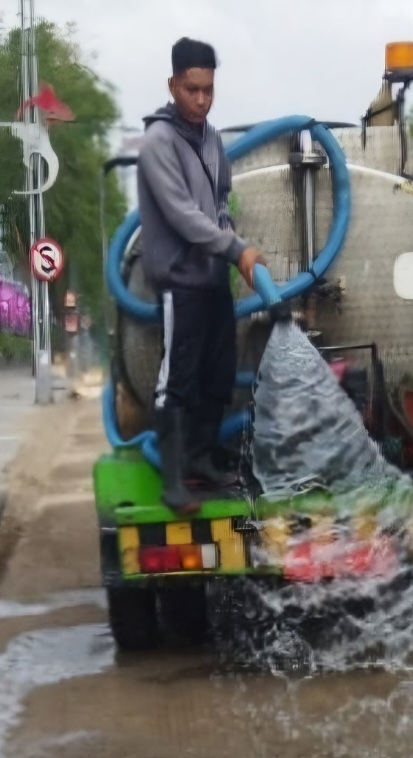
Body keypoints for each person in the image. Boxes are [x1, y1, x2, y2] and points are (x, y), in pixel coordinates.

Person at [136, 37, 267, 514]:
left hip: (214, 281)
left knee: (218, 373)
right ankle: (174, 481)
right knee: (178, 380)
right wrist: (237, 249)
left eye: (209, 89)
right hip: (180, 284)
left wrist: (230, 236)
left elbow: (218, 202)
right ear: (173, 84)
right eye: (192, 89)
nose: (202, 100)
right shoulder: (157, 143)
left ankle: (203, 459)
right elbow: (184, 215)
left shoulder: (211, 139)